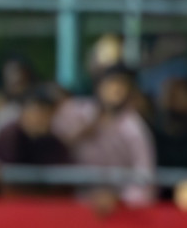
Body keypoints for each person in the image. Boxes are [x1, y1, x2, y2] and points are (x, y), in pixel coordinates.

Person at [53, 64, 156, 208]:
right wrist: (80, 134)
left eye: (122, 85)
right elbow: (51, 148)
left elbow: (144, 175)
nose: (116, 90)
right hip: (72, 201)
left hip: (118, 206)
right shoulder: (77, 112)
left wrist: (120, 200)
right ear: (99, 86)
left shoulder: (134, 127)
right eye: (111, 84)